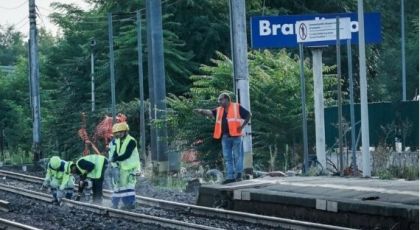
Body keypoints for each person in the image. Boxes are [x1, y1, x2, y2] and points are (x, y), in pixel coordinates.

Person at [194, 92, 251, 184]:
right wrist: (201, 111)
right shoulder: (219, 110)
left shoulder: (236, 107)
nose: (219, 101)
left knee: (238, 156)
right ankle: (230, 176)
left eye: (221, 99)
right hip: (225, 137)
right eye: (219, 100)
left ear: (227, 99)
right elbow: (210, 112)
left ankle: (239, 175)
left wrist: (242, 127)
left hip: (236, 136)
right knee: (227, 157)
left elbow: (248, 115)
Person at [109, 121, 141, 209]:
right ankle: (120, 204)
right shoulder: (118, 141)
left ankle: (130, 204)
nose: (119, 134)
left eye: (121, 132)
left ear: (125, 131)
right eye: (117, 133)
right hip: (122, 167)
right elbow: (116, 152)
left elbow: (127, 154)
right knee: (120, 186)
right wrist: (113, 159)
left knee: (129, 186)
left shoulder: (131, 141)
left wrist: (115, 159)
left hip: (131, 167)